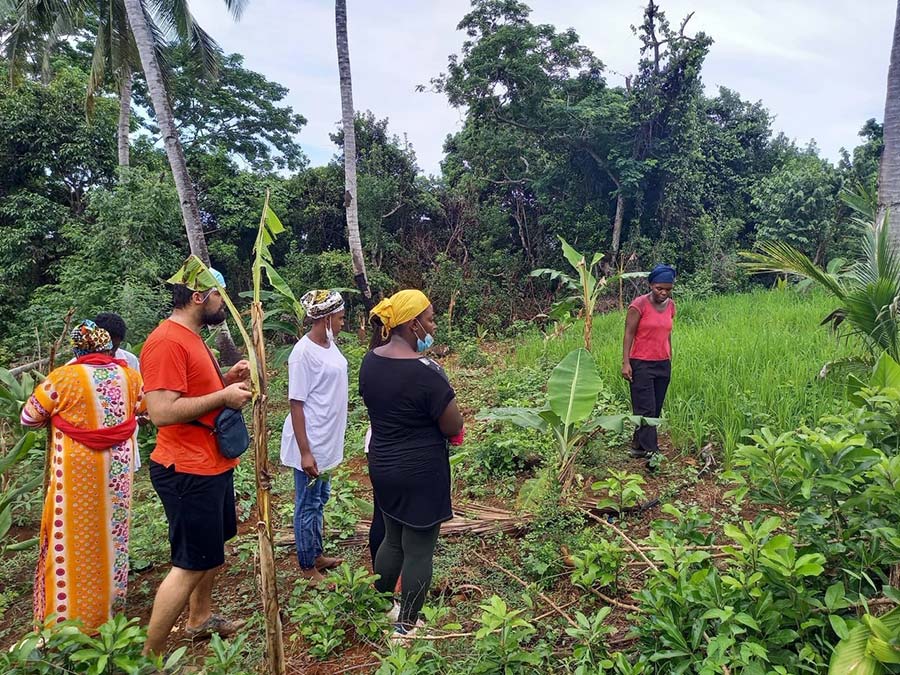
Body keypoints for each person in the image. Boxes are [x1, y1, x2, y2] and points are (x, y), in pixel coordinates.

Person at [139, 267, 253, 655]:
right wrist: (223, 398)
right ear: (199, 296)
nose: (224, 302)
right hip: (186, 469)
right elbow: (162, 410)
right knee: (189, 562)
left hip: (210, 462)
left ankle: (199, 619)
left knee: (211, 548)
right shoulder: (167, 342)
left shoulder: (191, 338)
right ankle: (150, 656)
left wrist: (225, 378)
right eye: (219, 295)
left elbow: (191, 388)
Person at [21, 319, 144, 633]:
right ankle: (109, 619)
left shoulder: (61, 378)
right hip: (116, 477)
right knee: (113, 541)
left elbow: (28, 417)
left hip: (74, 481)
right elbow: (142, 409)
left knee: (71, 543)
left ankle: (66, 623)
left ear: (76, 349)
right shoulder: (129, 377)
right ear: (107, 346)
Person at [359, 289, 464, 640]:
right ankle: (406, 626)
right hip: (421, 472)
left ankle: (383, 607)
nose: (433, 326)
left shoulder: (370, 361)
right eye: (430, 319)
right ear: (413, 324)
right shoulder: (428, 373)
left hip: (383, 465)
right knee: (420, 548)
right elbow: (453, 426)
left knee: (392, 539)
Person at [280, 290, 348, 583]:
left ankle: (317, 553)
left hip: (326, 440)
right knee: (307, 503)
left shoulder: (329, 344)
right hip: (311, 441)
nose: (344, 323)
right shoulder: (302, 354)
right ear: (327, 318)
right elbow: (296, 404)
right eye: (341, 318)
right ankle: (308, 566)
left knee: (319, 499)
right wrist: (305, 452)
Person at [621, 264, 676, 459]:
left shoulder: (671, 306)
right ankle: (653, 454)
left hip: (663, 363)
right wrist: (625, 362)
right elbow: (628, 334)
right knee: (646, 408)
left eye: (668, 289)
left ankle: (637, 445)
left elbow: (667, 333)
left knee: (655, 407)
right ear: (651, 285)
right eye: (659, 288)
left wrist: (670, 355)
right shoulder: (639, 305)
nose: (663, 292)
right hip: (641, 363)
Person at [93, 312, 143, 470]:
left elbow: (140, 395)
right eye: (107, 347)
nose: (111, 353)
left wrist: (142, 414)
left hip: (124, 442)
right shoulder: (74, 367)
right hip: (91, 442)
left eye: (115, 347)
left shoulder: (130, 361)